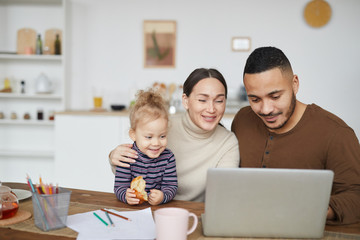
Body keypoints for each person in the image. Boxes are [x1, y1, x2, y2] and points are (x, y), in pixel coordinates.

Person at [231, 46, 360, 225]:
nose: (266, 109)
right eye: (255, 99)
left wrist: (315, 209)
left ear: (295, 84)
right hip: (244, 226)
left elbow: (356, 196)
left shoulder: (336, 133)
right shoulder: (242, 119)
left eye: (275, 96)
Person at [110, 68, 240, 202]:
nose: (211, 109)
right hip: (146, 208)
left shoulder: (228, 143)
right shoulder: (162, 127)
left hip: (191, 213)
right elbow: (132, 169)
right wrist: (114, 157)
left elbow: (224, 194)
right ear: (185, 100)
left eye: (219, 101)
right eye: (202, 100)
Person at [114, 89, 177, 205]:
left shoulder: (168, 157)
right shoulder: (128, 156)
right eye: (149, 137)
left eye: (162, 136)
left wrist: (163, 196)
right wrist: (126, 196)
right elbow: (119, 187)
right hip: (133, 210)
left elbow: (171, 186)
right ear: (133, 135)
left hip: (157, 210)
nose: (156, 143)